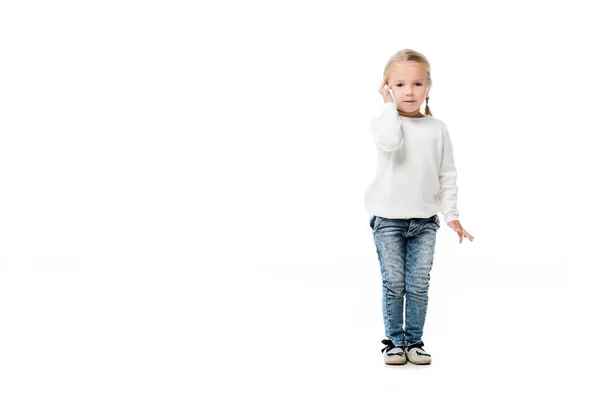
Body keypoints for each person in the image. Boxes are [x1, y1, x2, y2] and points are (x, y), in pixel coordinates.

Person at [364, 49, 474, 365]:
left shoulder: (437, 128)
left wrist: (451, 215)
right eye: (399, 85)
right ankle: (394, 342)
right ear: (387, 87)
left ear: (427, 87)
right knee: (394, 283)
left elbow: (447, 173)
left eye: (416, 84)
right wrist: (388, 107)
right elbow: (390, 143)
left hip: (424, 220)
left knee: (418, 285)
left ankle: (414, 341)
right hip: (388, 220)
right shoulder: (384, 122)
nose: (409, 92)